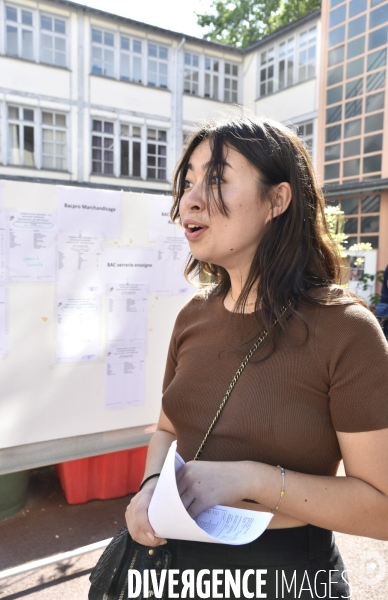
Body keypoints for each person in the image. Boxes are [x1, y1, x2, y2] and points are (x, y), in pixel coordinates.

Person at [125, 115, 388, 599]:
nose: (191, 199)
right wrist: (150, 486)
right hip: (169, 567)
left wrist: (251, 480)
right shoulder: (193, 317)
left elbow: (382, 508)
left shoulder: (345, 330)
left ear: (277, 200)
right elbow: (167, 429)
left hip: (284, 576)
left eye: (217, 179)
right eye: (187, 183)